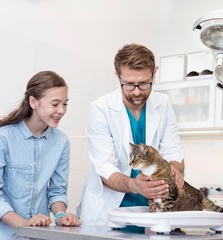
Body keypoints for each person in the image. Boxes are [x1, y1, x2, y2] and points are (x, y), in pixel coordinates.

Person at [77, 43, 185, 228]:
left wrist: (174, 169)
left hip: (152, 207)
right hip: (110, 211)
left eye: (143, 83)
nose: (136, 91)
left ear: (154, 72)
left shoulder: (163, 103)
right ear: (117, 76)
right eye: (128, 84)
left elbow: (173, 150)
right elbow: (104, 166)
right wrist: (135, 186)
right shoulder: (101, 108)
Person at [0, 71, 81, 239]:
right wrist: (25, 225)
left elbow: (57, 191)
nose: (61, 111)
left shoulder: (61, 142)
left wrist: (61, 216)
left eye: (65, 104)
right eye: (55, 104)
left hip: (35, 234)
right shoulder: (4, 136)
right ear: (33, 102)